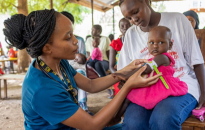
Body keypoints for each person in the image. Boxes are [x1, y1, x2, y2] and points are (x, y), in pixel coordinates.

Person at [3, 9, 162, 130]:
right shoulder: (42, 90)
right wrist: (128, 86)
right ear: (47, 48)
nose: (76, 42)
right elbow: (92, 125)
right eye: (68, 37)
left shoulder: (56, 63)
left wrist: (127, 70)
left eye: (73, 34)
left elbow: (91, 85)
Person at [117, 0, 205, 129]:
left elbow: (197, 62)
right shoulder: (131, 34)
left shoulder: (178, 20)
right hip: (146, 90)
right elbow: (125, 72)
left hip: (181, 85)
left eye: (136, 12)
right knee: (133, 123)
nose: (134, 19)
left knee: (163, 118)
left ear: (147, 2)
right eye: (128, 17)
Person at [183, 10, 205, 109]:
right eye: (184, 20)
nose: (187, 23)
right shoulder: (177, 38)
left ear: (196, 23)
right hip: (187, 73)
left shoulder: (204, 38)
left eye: (191, 20)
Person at [86, 24, 113, 98]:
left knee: (98, 64)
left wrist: (111, 65)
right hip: (93, 60)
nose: (92, 31)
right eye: (92, 29)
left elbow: (109, 53)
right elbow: (88, 54)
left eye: (94, 30)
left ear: (99, 31)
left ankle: (108, 87)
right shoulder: (88, 40)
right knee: (89, 65)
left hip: (103, 61)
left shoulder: (105, 39)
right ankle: (90, 87)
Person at [109, 18, 131, 95]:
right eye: (122, 26)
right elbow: (111, 67)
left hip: (134, 75)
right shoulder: (115, 44)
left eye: (128, 25)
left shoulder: (136, 43)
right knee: (121, 94)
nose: (125, 28)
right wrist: (120, 78)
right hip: (119, 76)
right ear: (119, 29)